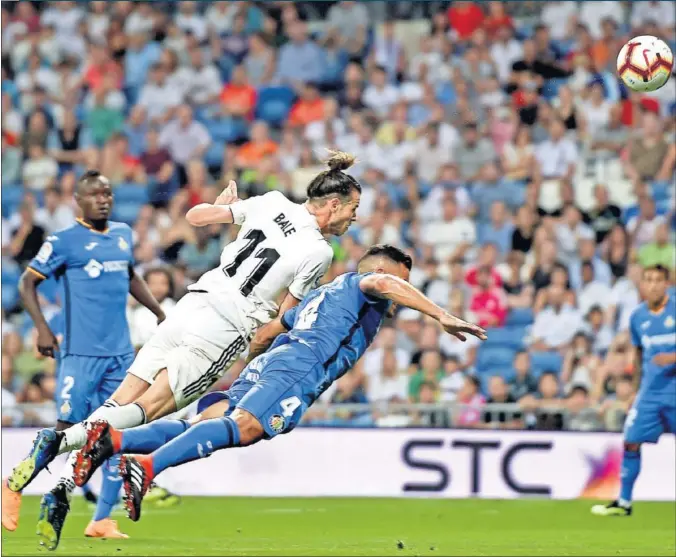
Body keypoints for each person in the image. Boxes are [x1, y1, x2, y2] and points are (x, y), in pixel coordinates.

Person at [3, 152, 361, 550]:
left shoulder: (272, 201)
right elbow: (283, 316)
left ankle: (61, 486)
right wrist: (263, 351)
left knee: (122, 399)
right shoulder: (320, 252)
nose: (354, 217)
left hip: (193, 301)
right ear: (333, 204)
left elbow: (196, 218)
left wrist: (223, 206)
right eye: (353, 208)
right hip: (226, 325)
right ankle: (55, 442)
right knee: (150, 409)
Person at [71, 245, 487, 520]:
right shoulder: (367, 286)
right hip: (301, 366)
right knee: (247, 428)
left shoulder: (323, 296)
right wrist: (441, 314)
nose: (404, 289)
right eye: (403, 279)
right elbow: (382, 281)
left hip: (274, 361)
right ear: (383, 271)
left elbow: (268, 331)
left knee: (207, 422)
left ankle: (114, 439)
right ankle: (147, 466)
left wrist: (251, 371)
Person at [1, 170, 165, 545]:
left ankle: (102, 519)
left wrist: (158, 311)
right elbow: (27, 282)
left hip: (120, 355)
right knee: (64, 431)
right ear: (79, 200)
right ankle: (12, 484)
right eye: (95, 195)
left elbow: (130, 275)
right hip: (80, 354)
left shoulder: (123, 234)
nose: (104, 199)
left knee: (114, 435)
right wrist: (42, 328)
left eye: (108, 193)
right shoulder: (64, 242)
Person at [592, 264, 676, 517]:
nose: (652, 285)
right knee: (630, 441)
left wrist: (672, 357)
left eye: (657, 280)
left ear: (666, 284)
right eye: (647, 280)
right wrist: (635, 392)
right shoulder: (637, 316)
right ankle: (624, 502)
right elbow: (639, 355)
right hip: (650, 394)